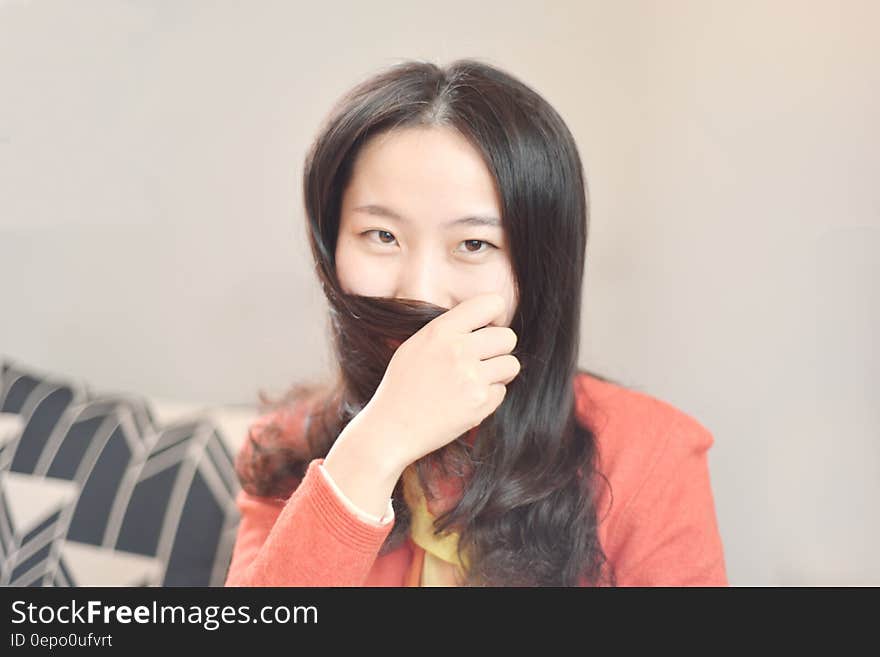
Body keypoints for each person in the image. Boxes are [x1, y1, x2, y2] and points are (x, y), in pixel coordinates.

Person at [224, 58, 728, 587]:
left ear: (538, 269)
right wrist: (373, 446)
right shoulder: (286, 445)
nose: (419, 291)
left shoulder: (652, 453)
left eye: (473, 244)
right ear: (331, 247)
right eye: (382, 236)